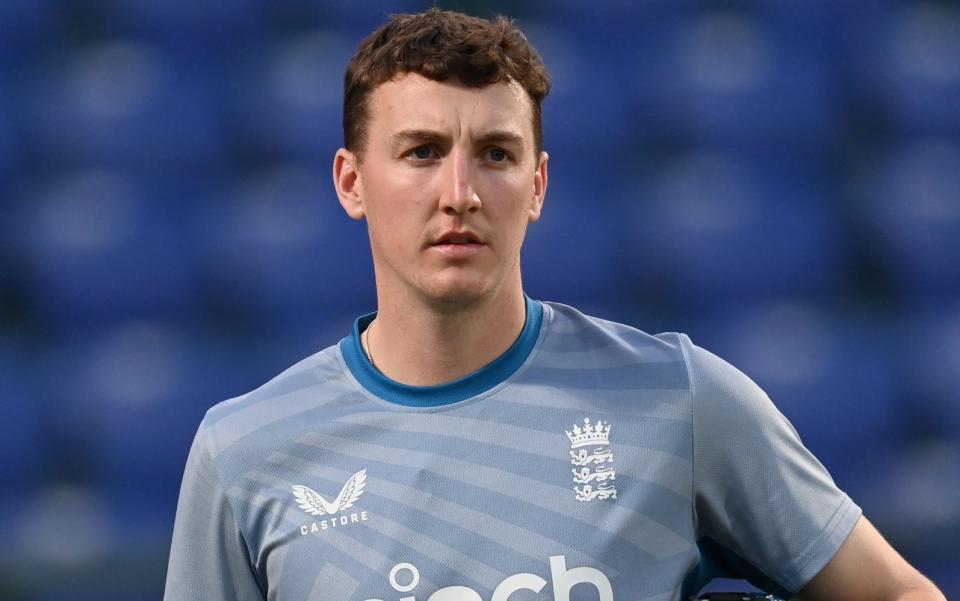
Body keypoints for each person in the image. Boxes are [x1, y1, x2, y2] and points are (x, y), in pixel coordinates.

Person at [164, 9, 945, 601]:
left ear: (537, 186)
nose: (460, 194)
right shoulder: (245, 454)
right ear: (350, 182)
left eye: (497, 155)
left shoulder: (677, 396)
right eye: (422, 152)